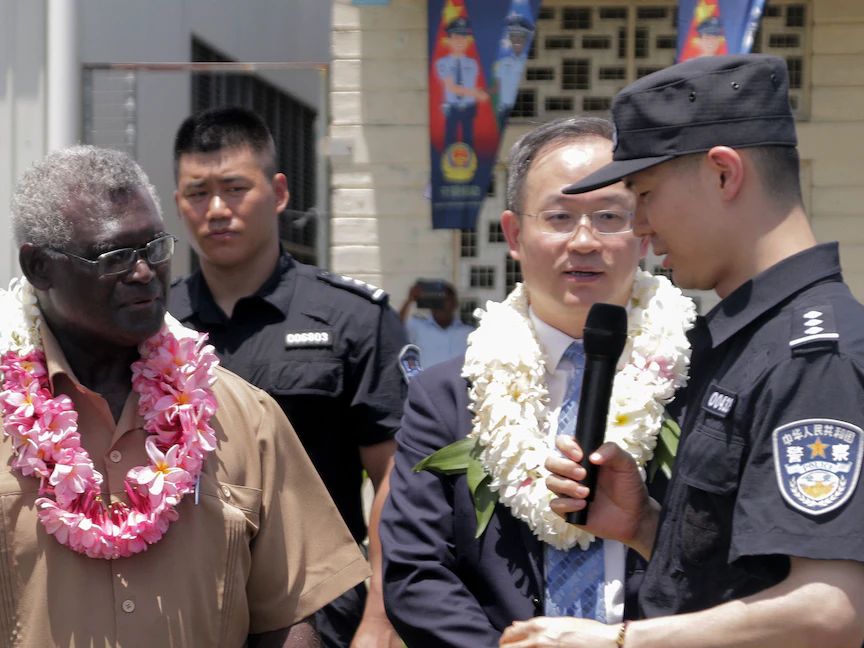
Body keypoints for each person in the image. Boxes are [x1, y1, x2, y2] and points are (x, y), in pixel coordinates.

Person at [501, 55, 864, 647]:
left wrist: (617, 641)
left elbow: (832, 611)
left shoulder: (813, 356)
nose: (639, 226)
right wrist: (645, 526)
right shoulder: (747, 339)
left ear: (723, 174)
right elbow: (745, 578)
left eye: (645, 193)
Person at [1, 145, 370, 647]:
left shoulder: (245, 417)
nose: (143, 272)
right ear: (40, 267)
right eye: (115, 257)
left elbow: (288, 620)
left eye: (155, 248)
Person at [380, 116, 695, 648]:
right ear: (514, 235)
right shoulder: (446, 397)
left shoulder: (702, 380)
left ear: (642, 230)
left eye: (609, 216)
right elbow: (415, 573)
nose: (584, 240)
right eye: (559, 217)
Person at [168, 107, 406, 648]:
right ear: (178, 203)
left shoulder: (352, 319)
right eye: (198, 193)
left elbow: (396, 476)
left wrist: (381, 615)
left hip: (317, 604)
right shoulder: (155, 325)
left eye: (235, 188)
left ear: (278, 193)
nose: (217, 209)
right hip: (184, 605)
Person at [436, 16, 489, 151]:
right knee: (450, 143)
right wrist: (476, 93)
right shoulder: (442, 63)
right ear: (449, 40)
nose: (460, 41)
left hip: (469, 108)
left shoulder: (472, 63)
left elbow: (473, 86)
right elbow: (452, 88)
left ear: (468, 41)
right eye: (456, 37)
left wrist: (481, 94)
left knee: (468, 142)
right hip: (452, 109)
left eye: (463, 37)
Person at [398, 279, 475, 367]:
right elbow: (395, 329)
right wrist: (409, 301)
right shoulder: (417, 327)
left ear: (455, 304)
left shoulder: (469, 333)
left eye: (445, 299)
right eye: (436, 300)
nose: (440, 305)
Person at [494, 13, 534, 124]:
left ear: (526, 39)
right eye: (513, 37)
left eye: (521, 37)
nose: (517, 40)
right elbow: (497, 88)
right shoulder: (503, 63)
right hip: (504, 110)